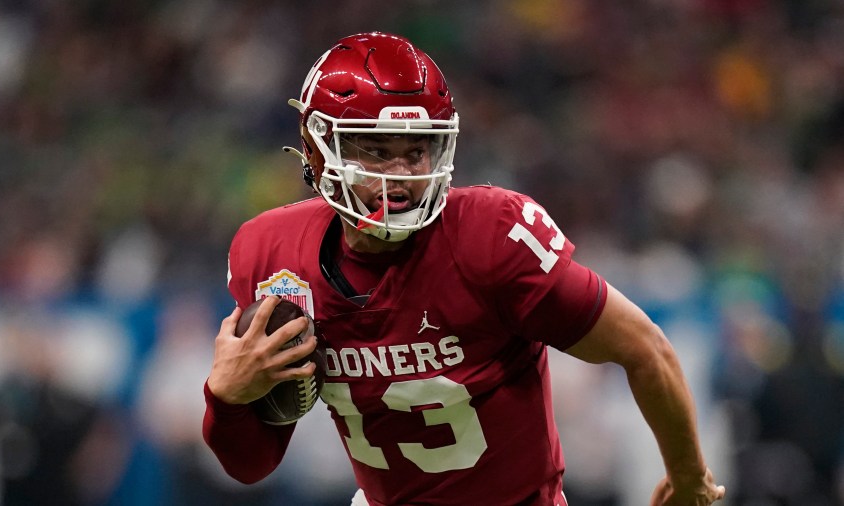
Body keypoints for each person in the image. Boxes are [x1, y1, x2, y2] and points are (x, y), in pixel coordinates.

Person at [203, 31, 726, 506]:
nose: (401, 177)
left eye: (418, 150)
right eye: (377, 151)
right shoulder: (273, 257)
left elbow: (645, 348)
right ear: (318, 150)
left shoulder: (489, 239)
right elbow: (251, 465)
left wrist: (689, 476)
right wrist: (228, 398)